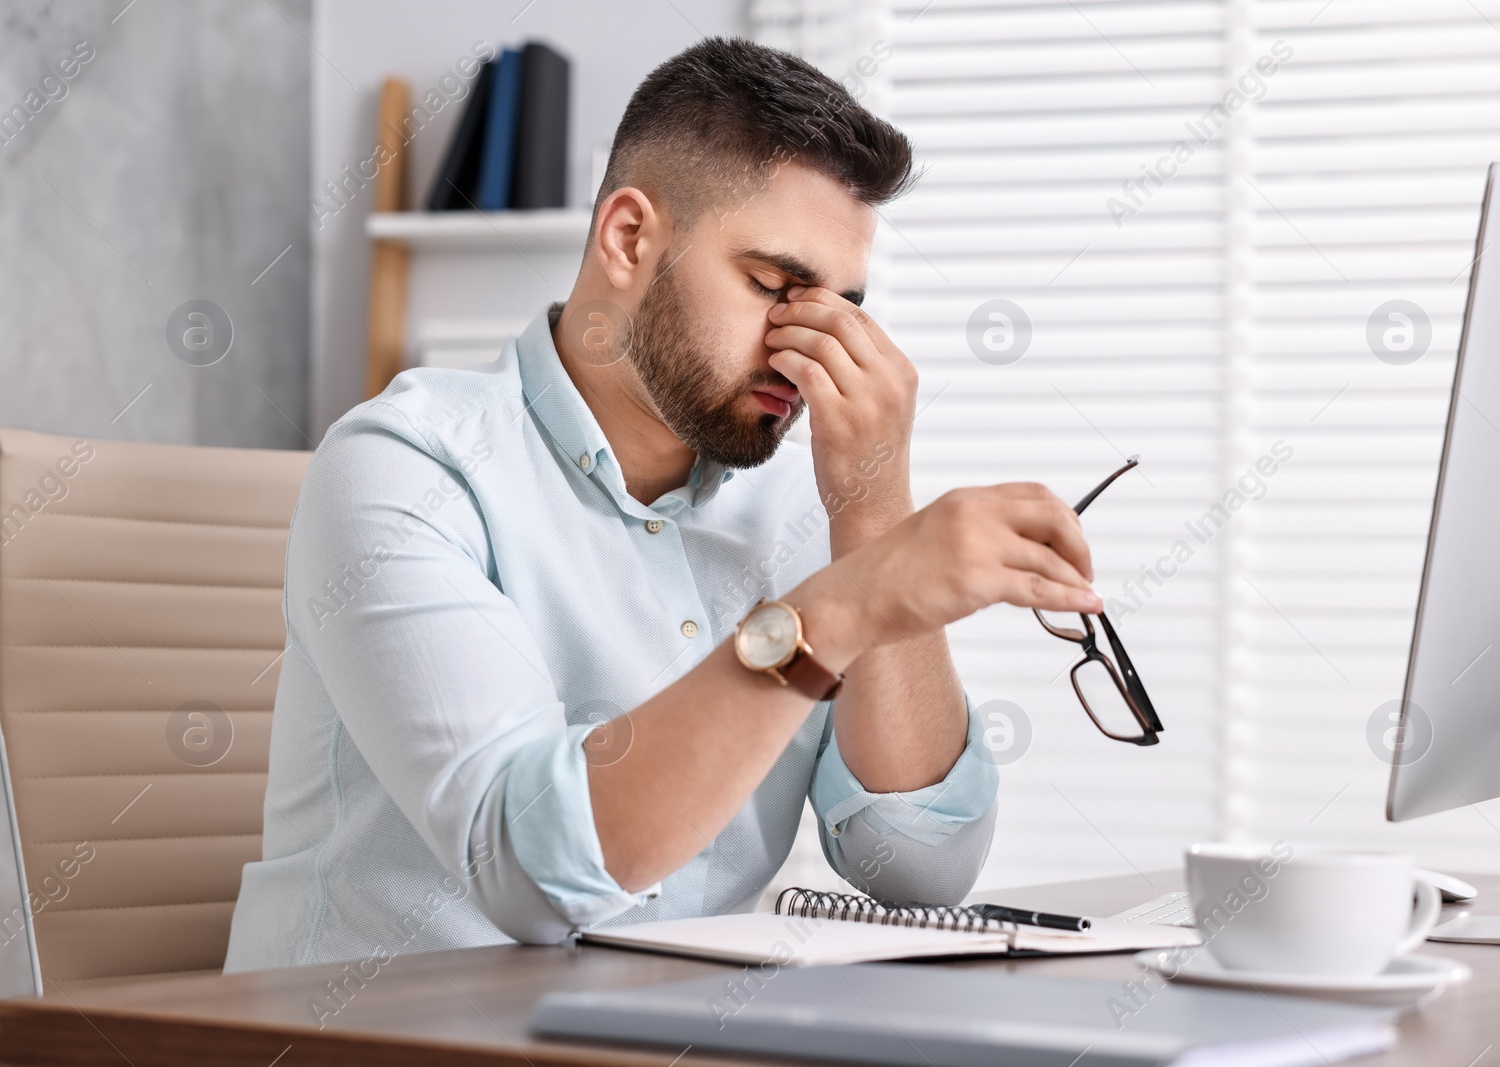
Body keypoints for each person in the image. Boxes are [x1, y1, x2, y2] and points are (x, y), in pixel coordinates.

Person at [224, 36, 1101, 974]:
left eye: (844, 306)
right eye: (773, 286)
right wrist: (845, 606)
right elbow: (529, 873)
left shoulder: (810, 510)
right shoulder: (409, 467)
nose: (809, 345)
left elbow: (918, 866)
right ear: (629, 237)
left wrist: (875, 512)